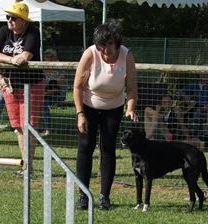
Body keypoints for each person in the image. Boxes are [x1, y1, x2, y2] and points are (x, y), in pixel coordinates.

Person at [74, 20, 138, 210]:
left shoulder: (126, 55)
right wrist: (80, 114)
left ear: (116, 42)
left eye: (109, 44)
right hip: (89, 105)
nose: (105, 50)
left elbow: (132, 87)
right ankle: (83, 196)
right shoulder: (90, 54)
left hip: (114, 107)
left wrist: (131, 107)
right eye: (102, 45)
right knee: (86, 147)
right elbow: (77, 86)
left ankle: (104, 196)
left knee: (108, 148)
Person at [0, 1, 45, 175]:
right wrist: (10, 61)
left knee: (28, 125)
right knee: (18, 127)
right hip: (10, 85)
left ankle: (29, 165)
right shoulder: (4, 31)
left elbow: (26, 56)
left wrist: (10, 59)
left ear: (24, 20)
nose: (9, 20)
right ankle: (26, 165)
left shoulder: (33, 32)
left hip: (32, 85)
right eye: (8, 17)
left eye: (14, 18)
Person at [41, 48, 66, 136]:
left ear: (55, 58)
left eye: (51, 57)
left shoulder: (60, 69)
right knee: (38, 101)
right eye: (47, 57)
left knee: (43, 102)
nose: (49, 59)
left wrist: (45, 93)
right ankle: (34, 127)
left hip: (57, 93)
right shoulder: (42, 69)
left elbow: (58, 86)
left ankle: (47, 129)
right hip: (45, 93)